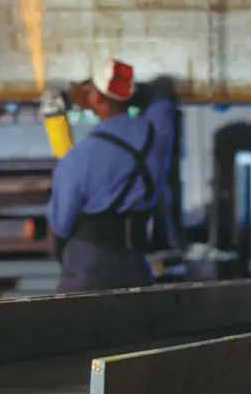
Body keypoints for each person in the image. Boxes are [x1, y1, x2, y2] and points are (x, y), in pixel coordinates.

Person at [46, 60, 176, 292]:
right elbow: (161, 94)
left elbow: (61, 225)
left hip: (87, 266)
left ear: (96, 98)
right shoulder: (155, 135)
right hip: (134, 264)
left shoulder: (77, 160)